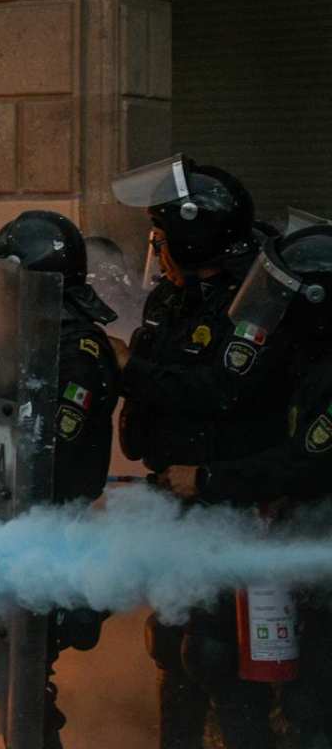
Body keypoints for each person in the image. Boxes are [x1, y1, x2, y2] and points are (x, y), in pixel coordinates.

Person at [110, 156, 295, 749]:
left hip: (234, 500)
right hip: (178, 492)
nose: (155, 250)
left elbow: (220, 389)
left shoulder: (255, 299)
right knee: (171, 640)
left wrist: (129, 371)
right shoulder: (176, 296)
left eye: (162, 239)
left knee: (217, 652)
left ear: (194, 237)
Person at [157, 224, 332, 747]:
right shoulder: (315, 359)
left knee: (316, 704)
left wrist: (208, 479)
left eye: (283, 296)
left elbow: (307, 460)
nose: (271, 308)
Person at [0, 210, 120, 749]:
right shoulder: (26, 340)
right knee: (8, 674)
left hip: (55, 536)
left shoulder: (76, 352)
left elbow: (51, 447)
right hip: (17, 533)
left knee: (15, 674)